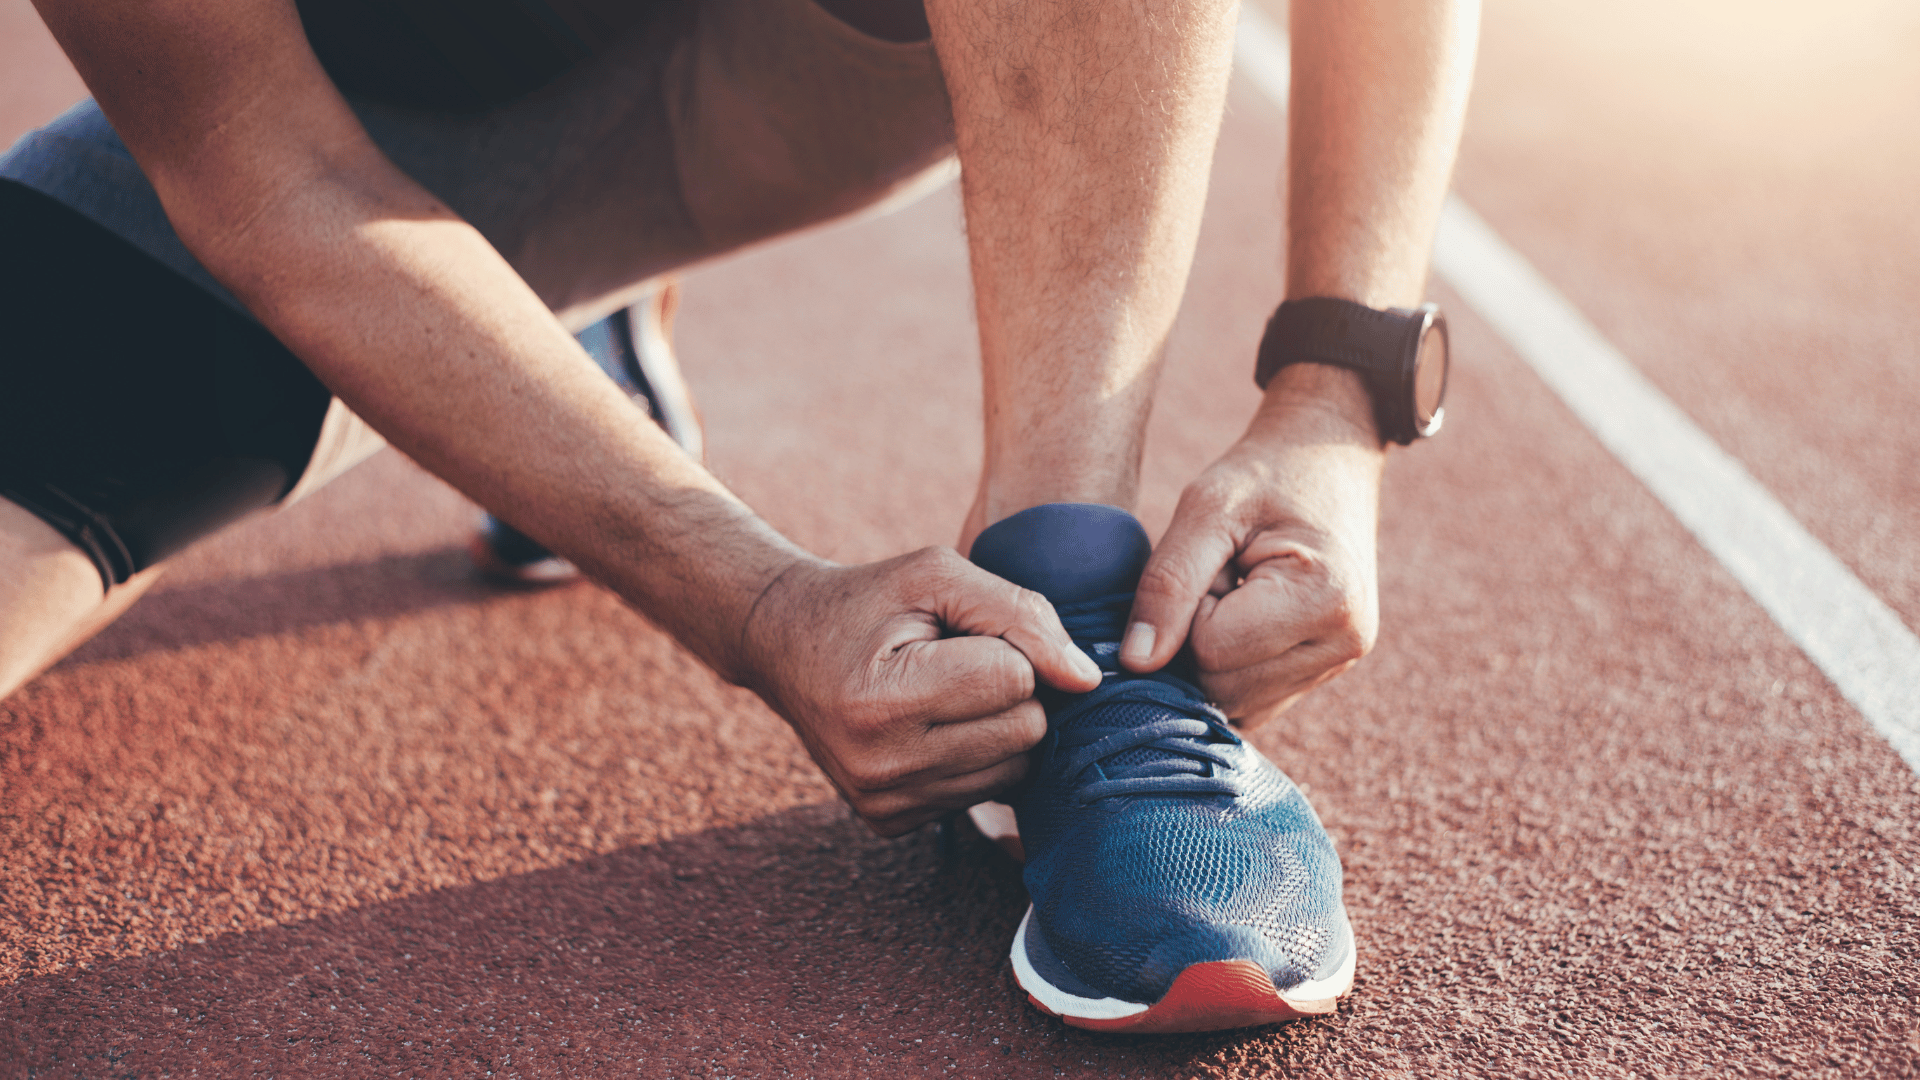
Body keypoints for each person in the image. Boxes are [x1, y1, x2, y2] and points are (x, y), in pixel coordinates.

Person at [0, 0, 1477, 1032]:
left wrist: (1337, 397)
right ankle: (551, 353)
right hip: (356, 137)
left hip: (809, 52)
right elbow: (262, 173)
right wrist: (760, 603)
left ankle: (1069, 579)